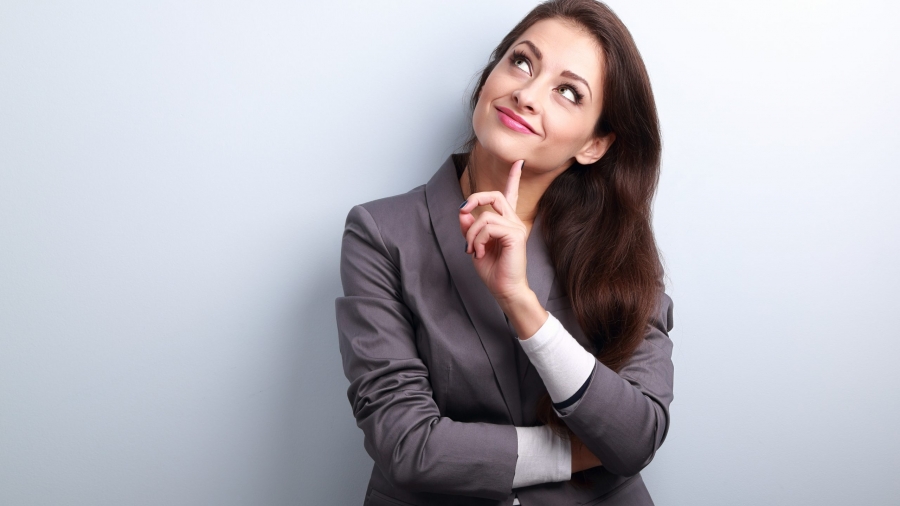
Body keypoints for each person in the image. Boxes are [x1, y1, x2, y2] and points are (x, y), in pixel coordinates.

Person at [335, 0, 674, 504]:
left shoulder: (619, 246)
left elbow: (637, 435)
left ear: (595, 145)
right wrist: (573, 454)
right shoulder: (382, 233)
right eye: (521, 61)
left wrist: (521, 303)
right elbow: (408, 447)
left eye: (567, 92)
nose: (527, 94)